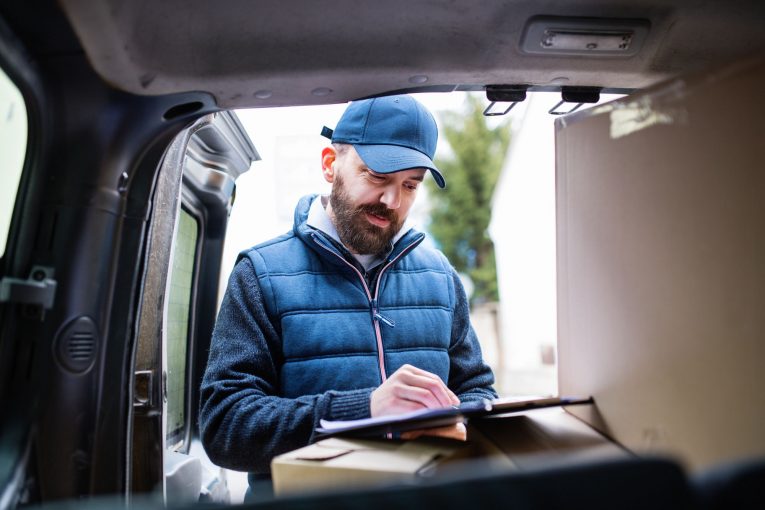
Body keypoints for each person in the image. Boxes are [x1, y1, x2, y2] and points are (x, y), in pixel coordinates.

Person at [199, 95, 496, 489]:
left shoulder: (440, 276)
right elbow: (225, 425)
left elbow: (478, 390)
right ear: (329, 164)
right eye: (377, 177)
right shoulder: (260, 274)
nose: (393, 201)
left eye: (410, 185)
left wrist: (458, 419)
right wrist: (365, 409)